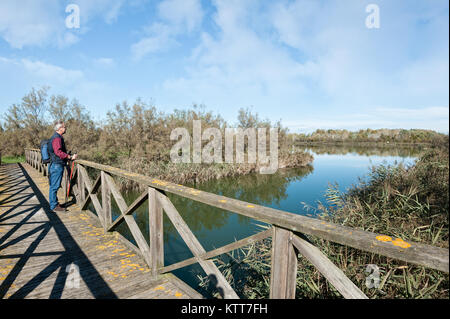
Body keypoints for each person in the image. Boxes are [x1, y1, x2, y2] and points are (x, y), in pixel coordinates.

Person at [48, 121, 78, 212]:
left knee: (54, 186)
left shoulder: (55, 137)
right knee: (54, 186)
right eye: (64, 127)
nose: (65, 128)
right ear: (59, 128)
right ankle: (53, 206)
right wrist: (69, 157)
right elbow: (58, 152)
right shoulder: (57, 138)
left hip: (55, 164)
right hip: (57, 165)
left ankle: (54, 204)